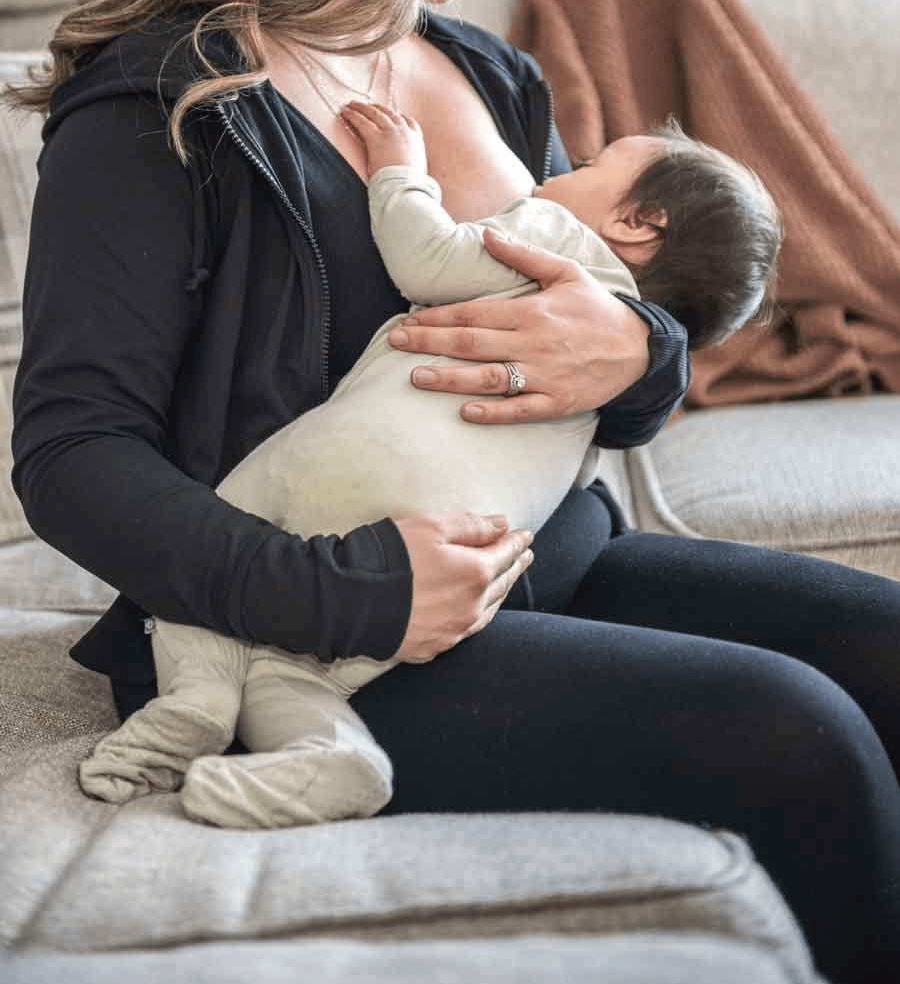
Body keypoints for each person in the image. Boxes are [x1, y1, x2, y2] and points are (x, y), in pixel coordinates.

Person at [8, 0, 900, 983]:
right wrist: (352, 590)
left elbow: (588, 303)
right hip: (302, 625)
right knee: (799, 736)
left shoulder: (483, 66)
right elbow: (73, 456)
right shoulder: (162, 104)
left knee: (888, 651)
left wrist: (642, 352)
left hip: (556, 556)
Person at [76, 102, 782, 827]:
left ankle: (198, 696)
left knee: (231, 528)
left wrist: (400, 173)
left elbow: (428, 259)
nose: (562, 171)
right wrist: (650, 343)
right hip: (451, 561)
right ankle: (330, 749)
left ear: (639, 222)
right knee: (297, 671)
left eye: (594, 166)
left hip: (370, 493)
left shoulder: (554, 231)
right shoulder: (156, 99)